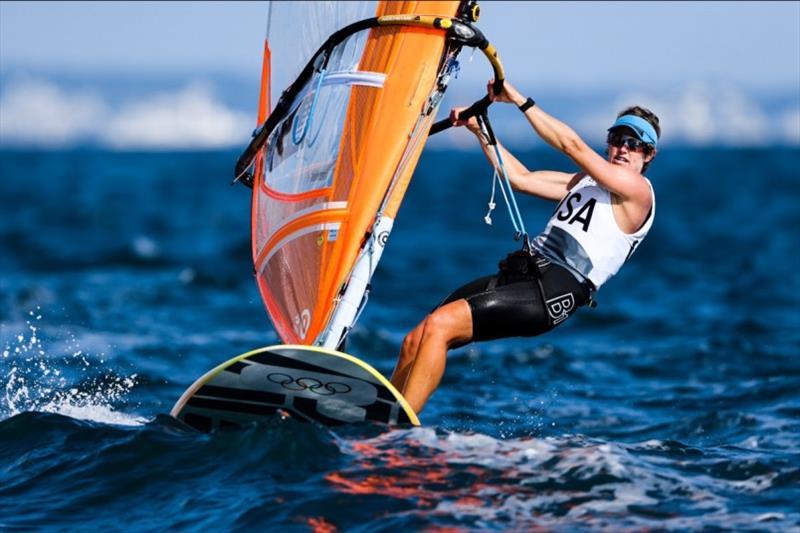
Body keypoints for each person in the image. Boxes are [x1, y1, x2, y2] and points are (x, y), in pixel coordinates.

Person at [390, 79, 659, 414]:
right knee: (416, 339)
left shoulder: (638, 192)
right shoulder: (585, 183)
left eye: (634, 144)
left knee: (440, 326)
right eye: (617, 139)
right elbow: (520, 178)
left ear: (648, 155)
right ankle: (383, 414)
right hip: (526, 274)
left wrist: (515, 98)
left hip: (554, 291)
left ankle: (397, 434)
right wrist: (480, 132)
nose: (622, 148)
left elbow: (572, 145)